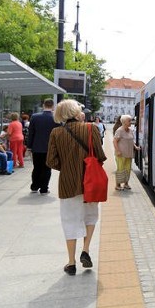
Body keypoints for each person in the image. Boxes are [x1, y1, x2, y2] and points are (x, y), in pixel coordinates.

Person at [46, 99, 106, 276]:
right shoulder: (90, 128)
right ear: (75, 111)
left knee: (70, 220)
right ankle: (86, 250)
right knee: (90, 217)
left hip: (68, 183)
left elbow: (50, 160)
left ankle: (71, 262)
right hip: (91, 183)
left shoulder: (56, 132)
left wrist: (67, 168)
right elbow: (100, 155)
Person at [27, 98, 60, 195]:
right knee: (46, 168)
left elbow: (31, 133)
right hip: (50, 148)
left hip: (36, 147)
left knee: (36, 167)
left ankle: (34, 186)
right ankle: (44, 188)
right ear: (53, 106)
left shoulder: (34, 117)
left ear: (43, 105)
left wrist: (29, 147)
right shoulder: (56, 118)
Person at [113, 114, 140, 191]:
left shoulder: (130, 130)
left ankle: (126, 184)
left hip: (129, 153)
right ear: (124, 122)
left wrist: (135, 147)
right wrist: (117, 150)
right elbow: (114, 141)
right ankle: (117, 185)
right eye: (129, 121)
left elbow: (131, 141)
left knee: (128, 169)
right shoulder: (119, 130)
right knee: (120, 169)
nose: (131, 122)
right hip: (121, 154)